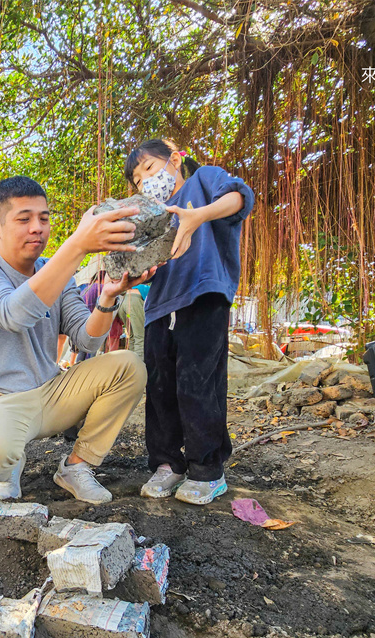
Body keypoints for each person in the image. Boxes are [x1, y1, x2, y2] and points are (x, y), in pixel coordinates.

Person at [0, 175, 152, 505]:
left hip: (52, 393)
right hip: (1, 399)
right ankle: (6, 469)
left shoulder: (57, 272)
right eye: (24, 219)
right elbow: (13, 314)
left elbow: (87, 340)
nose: (38, 228)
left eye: (44, 219)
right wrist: (76, 246)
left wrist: (106, 298)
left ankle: (76, 467)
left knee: (129, 366)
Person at [124, 139, 254, 504]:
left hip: (203, 296)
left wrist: (198, 214)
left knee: (198, 383)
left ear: (175, 160)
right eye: (137, 180)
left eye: (149, 170)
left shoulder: (205, 181)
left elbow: (241, 197)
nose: (144, 182)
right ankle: (168, 464)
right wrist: (135, 274)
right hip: (159, 307)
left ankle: (206, 469)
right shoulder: (151, 213)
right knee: (160, 389)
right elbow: (149, 263)